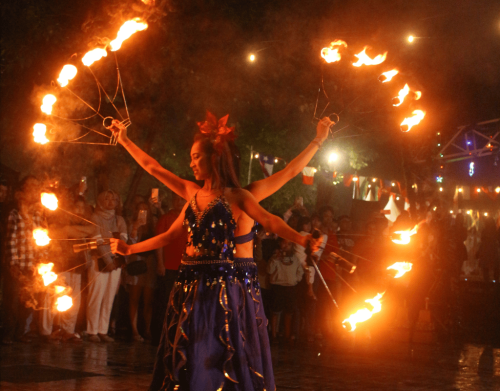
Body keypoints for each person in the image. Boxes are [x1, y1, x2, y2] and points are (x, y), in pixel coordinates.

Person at [109, 114, 320, 391]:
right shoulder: (191, 193)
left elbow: (270, 220)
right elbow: (154, 172)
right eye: (191, 157)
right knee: (188, 351)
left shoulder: (240, 196)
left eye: (197, 157)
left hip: (224, 287)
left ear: (216, 157)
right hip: (189, 285)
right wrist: (129, 248)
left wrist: (301, 239)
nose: (191, 163)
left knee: (220, 352)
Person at [40, 196, 95, 343]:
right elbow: (68, 231)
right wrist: (78, 229)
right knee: (52, 299)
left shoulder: (82, 223)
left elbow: (92, 229)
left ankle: (67, 331)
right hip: (59, 265)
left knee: (74, 302)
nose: (80, 211)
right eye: (77, 207)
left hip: (76, 267)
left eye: (82, 208)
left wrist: (81, 228)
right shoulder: (59, 223)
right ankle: (46, 332)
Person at [2, 176, 46, 345]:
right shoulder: (15, 214)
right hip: (18, 264)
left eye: (37, 187)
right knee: (12, 300)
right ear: (22, 191)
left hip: (33, 266)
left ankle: (21, 332)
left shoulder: (38, 216)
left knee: (28, 301)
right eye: (31, 186)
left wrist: (41, 264)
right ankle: (8, 334)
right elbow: (10, 239)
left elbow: (42, 243)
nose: (34, 190)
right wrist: (12, 263)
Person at [86, 190, 127, 343]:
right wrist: (106, 258)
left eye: (114, 199)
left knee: (109, 297)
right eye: (107, 198)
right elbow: (96, 240)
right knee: (96, 295)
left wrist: (115, 258)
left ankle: (103, 330)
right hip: (99, 261)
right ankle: (92, 330)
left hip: (115, 262)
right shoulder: (95, 217)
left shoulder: (119, 219)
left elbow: (123, 238)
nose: (111, 202)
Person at [152, 192, 186, 344]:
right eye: (178, 198)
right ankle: (160, 333)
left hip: (186, 267)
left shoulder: (191, 219)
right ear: (173, 200)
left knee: (182, 302)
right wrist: (160, 263)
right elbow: (159, 242)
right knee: (165, 300)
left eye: (183, 199)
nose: (180, 201)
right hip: (169, 266)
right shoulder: (166, 218)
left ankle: (178, 334)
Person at [125, 200, 158, 342]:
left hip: (150, 264)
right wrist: (136, 227)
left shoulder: (154, 224)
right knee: (134, 298)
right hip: (137, 262)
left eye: (146, 210)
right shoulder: (132, 224)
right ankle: (134, 330)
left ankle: (148, 329)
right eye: (140, 209)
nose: (143, 212)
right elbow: (130, 243)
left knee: (148, 299)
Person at [267, 238, 304, 344]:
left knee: (289, 312)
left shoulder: (295, 258)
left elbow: (300, 271)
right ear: (280, 244)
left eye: (289, 244)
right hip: (278, 287)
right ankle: (273, 336)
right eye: (284, 243)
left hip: (290, 287)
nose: (286, 246)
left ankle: (287, 336)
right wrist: (275, 259)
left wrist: (296, 279)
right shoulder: (275, 257)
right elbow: (269, 270)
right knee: (275, 312)